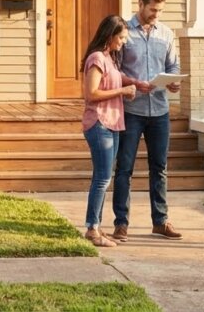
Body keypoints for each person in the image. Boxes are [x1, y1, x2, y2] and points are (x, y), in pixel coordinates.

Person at [111, 0, 183, 242]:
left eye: (160, 10)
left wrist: (174, 81)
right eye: (153, 9)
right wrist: (132, 83)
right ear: (140, 4)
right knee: (124, 168)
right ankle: (121, 223)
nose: (156, 14)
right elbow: (113, 68)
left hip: (160, 111)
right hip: (132, 110)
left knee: (160, 167)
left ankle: (160, 222)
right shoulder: (124, 31)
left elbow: (173, 64)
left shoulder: (166, 33)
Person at [81, 14, 137, 248]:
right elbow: (91, 94)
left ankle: (97, 226)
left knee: (104, 177)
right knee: (102, 178)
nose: (123, 42)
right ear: (110, 35)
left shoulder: (108, 58)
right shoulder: (96, 58)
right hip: (99, 123)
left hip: (112, 123)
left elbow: (115, 79)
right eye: (121, 37)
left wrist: (136, 84)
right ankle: (92, 228)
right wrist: (123, 92)